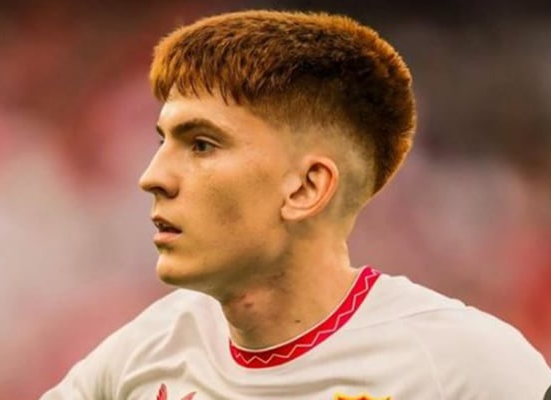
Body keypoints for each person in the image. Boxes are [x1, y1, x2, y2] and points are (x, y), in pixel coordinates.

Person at [41, 9, 551, 400]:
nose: (152, 178)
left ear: (306, 188)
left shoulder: (467, 367)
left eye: (201, 145)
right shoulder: (145, 351)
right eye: (162, 141)